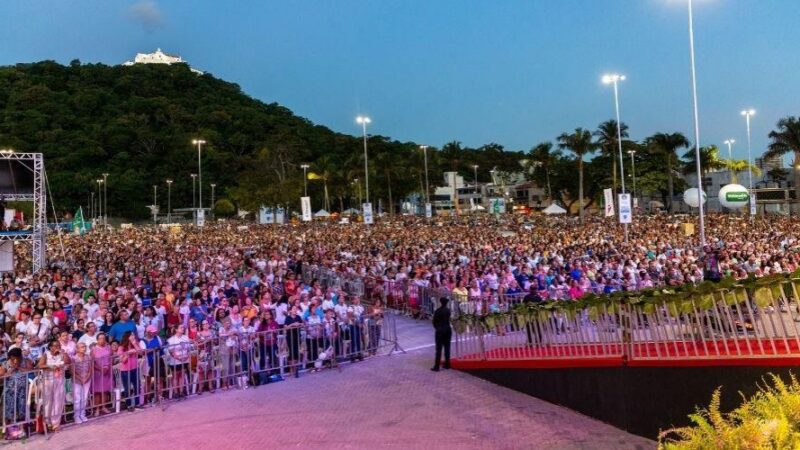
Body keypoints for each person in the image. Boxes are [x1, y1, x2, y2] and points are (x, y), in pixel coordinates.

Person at [37, 339, 70, 431]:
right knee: (48, 401)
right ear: (50, 347)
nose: (57, 347)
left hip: (59, 380)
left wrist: (63, 352)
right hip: (48, 380)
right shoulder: (46, 354)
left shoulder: (61, 354)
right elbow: (40, 365)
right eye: (55, 346)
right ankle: (47, 422)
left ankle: (56, 423)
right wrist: (50, 366)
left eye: (58, 345)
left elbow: (68, 362)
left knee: (58, 401)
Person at [0, 347, 32, 439]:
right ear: (10, 357)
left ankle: (22, 432)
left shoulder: (26, 361)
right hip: (9, 392)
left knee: (21, 411)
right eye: (12, 358)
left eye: (17, 357)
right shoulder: (5, 364)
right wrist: (11, 370)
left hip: (22, 391)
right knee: (9, 412)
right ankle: (8, 433)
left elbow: (31, 370)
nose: (15, 360)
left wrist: (18, 367)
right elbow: (2, 376)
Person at [71, 342, 93, 423]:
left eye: (84, 346)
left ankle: (82, 414)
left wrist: (87, 377)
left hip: (87, 379)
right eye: (82, 347)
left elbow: (91, 368)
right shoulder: (73, 358)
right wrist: (80, 378)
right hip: (77, 380)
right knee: (77, 399)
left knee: (84, 398)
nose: (84, 348)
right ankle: (76, 416)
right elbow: (72, 371)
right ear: (77, 349)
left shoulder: (88, 357)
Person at [431, 297, 452, 372]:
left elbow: (434, 321)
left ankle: (437, 366)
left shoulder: (438, 311)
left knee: (439, 349)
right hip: (448, 329)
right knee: (447, 347)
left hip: (440, 330)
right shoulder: (448, 310)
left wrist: (437, 328)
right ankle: (447, 364)